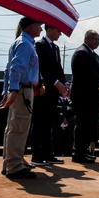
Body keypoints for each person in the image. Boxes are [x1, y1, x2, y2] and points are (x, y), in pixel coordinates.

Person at [0, 16, 42, 179]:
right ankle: (14, 166)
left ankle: (9, 163)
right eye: (39, 25)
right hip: (23, 90)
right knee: (19, 127)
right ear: (31, 26)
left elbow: (8, 69)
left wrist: (8, 90)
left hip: (20, 90)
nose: (41, 28)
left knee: (13, 127)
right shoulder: (25, 44)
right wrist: (14, 90)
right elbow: (16, 68)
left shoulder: (20, 42)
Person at [70, 30, 99, 164]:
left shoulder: (92, 54)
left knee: (89, 125)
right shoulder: (82, 52)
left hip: (93, 97)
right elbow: (88, 74)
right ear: (86, 38)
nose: (97, 42)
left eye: (98, 39)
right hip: (84, 97)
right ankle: (79, 153)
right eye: (94, 39)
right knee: (83, 125)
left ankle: (84, 151)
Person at [32, 24, 68, 165]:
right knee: (39, 123)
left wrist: (65, 83)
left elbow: (58, 67)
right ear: (49, 30)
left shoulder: (56, 48)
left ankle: (48, 154)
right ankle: (37, 155)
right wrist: (55, 82)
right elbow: (43, 68)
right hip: (43, 90)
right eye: (58, 30)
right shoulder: (40, 45)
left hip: (53, 92)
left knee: (49, 124)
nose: (60, 33)